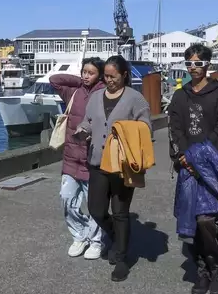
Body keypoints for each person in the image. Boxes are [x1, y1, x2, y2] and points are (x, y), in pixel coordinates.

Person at [76, 55, 152, 282]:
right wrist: (82, 130)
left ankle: (121, 259)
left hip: (122, 165)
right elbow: (88, 121)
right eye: (106, 76)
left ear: (124, 75)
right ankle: (115, 237)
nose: (108, 80)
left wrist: (125, 130)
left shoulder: (135, 99)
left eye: (113, 76)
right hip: (97, 162)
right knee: (97, 210)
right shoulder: (96, 96)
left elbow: (146, 127)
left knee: (120, 212)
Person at [168, 43, 218, 294]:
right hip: (187, 167)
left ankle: (217, 267)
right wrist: (184, 155)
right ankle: (202, 269)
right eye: (189, 63)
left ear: (207, 64)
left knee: (207, 219)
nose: (193, 68)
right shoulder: (180, 95)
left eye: (198, 63)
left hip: (213, 167)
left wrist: (200, 156)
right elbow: (174, 127)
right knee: (192, 221)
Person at [49, 57, 106, 260]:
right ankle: (80, 235)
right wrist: (79, 81)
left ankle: (96, 241)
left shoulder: (105, 94)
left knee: (95, 205)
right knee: (66, 199)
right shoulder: (72, 92)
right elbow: (55, 79)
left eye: (91, 73)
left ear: (100, 74)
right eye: (84, 72)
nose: (86, 76)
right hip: (71, 159)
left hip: (94, 159)